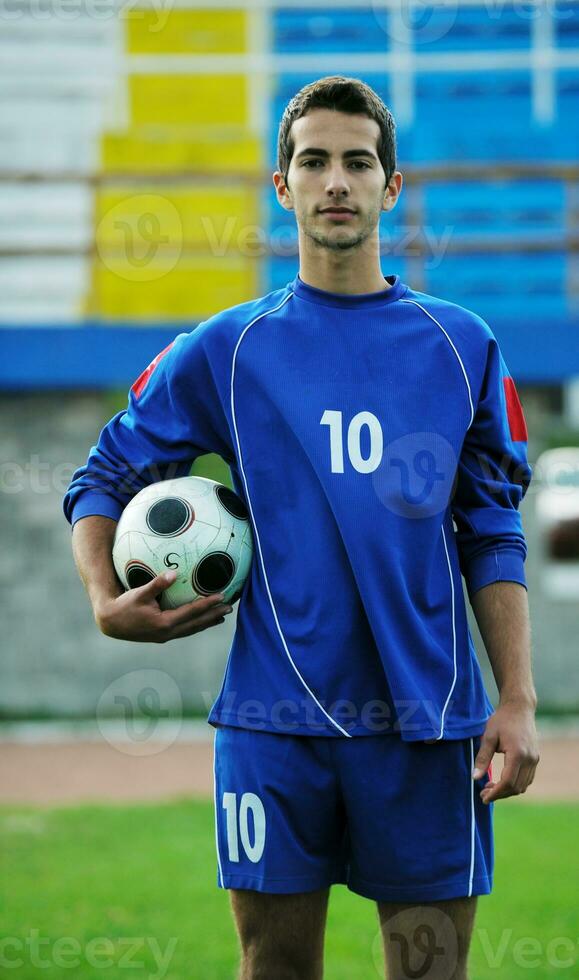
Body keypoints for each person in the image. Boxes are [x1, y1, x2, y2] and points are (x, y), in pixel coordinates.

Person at [63, 76, 540, 980]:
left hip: (429, 724)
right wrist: (102, 595)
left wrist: (514, 698)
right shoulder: (228, 347)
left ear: (390, 187)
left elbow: (491, 527)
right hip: (272, 723)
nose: (335, 181)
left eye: (357, 162)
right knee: (273, 968)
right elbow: (106, 474)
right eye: (312, 161)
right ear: (279, 186)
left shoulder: (460, 344)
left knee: (430, 970)